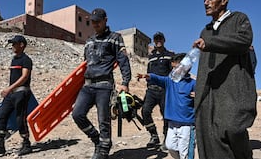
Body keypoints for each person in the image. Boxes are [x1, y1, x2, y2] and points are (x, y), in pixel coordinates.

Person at [193, 0, 257, 159]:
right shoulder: (205, 31)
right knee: (208, 135)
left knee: (232, 127)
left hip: (232, 87)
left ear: (224, 1)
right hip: (208, 91)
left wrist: (211, 44)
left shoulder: (238, 19)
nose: (206, 3)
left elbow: (244, 40)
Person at [72, 8, 131, 159]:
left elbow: (123, 60)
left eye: (98, 21)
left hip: (104, 85)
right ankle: (97, 140)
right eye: (93, 21)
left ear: (105, 20)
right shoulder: (89, 41)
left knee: (103, 119)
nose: (95, 24)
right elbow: (86, 63)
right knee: (77, 114)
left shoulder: (115, 37)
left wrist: (125, 82)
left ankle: (104, 149)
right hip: (88, 85)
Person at [137, 53, 196, 159]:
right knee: (171, 146)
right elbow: (159, 78)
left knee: (185, 152)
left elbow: (205, 97)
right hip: (172, 123)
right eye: (175, 67)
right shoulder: (170, 81)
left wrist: (198, 95)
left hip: (187, 124)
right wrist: (148, 75)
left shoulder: (193, 84)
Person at [0, 35, 33, 156]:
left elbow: (24, 77)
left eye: (14, 44)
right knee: (1, 116)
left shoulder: (26, 60)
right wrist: (9, 90)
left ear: (21, 45)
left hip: (22, 92)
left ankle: (26, 143)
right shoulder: (14, 59)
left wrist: (9, 88)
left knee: (20, 118)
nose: (12, 46)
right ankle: (0, 144)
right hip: (11, 94)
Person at [141, 31, 174, 149]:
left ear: (164, 40)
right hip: (151, 90)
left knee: (166, 114)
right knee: (145, 111)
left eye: (160, 39)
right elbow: (148, 72)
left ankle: (166, 138)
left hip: (164, 89)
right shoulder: (150, 57)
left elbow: (173, 73)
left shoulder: (170, 55)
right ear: (154, 41)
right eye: (156, 39)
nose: (158, 41)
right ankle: (154, 136)